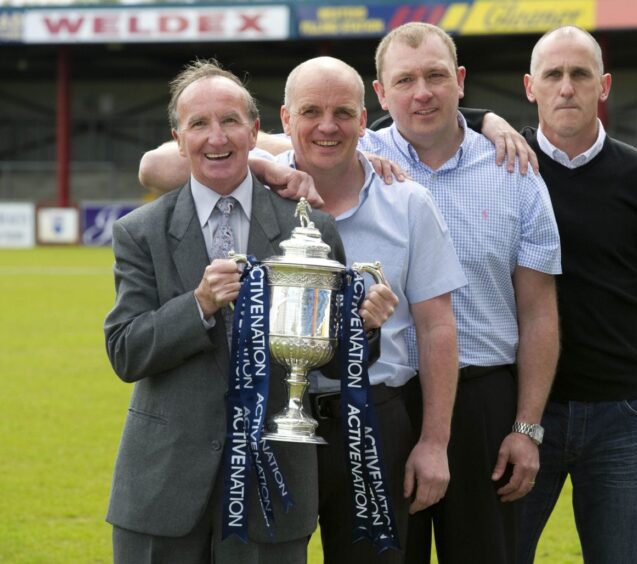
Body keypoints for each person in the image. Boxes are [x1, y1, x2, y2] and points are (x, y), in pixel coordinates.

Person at [103, 59, 394, 564]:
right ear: (178, 139)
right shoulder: (140, 233)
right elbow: (126, 352)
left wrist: (363, 326)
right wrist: (198, 304)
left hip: (272, 492)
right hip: (162, 491)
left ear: (256, 130)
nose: (216, 137)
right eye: (199, 124)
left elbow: (328, 361)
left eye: (230, 121)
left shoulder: (312, 230)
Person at [362, 22, 562, 564]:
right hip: (386, 401)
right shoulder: (350, 159)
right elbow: (182, 161)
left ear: (461, 81)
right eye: (404, 80)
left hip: (483, 406)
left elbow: (539, 310)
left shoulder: (514, 169)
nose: (421, 92)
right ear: (380, 94)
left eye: (435, 76)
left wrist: (527, 428)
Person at [510, 26, 637, 563]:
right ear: (531, 86)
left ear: (605, 85)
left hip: (622, 416)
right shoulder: (502, 170)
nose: (567, 87)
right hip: (522, 413)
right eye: (553, 75)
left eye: (581, 74)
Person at [275, 56, 466, 564]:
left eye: (343, 112)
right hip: (271, 414)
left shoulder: (408, 203)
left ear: (365, 120)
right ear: (285, 120)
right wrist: (255, 163)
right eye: (311, 111)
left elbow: (437, 327)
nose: (328, 126)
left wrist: (434, 442)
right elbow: (165, 162)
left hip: (376, 419)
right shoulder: (254, 195)